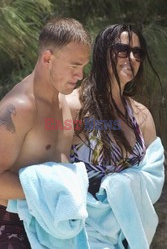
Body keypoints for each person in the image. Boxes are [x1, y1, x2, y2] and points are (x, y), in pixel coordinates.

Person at [66, 24, 164, 248]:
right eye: (122, 49)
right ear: (102, 52)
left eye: (138, 53)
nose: (132, 58)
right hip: (83, 237)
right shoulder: (73, 106)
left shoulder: (142, 116)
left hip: (130, 235)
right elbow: (54, 173)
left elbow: (152, 179)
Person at [0, 17, 91, 248]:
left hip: (55, 221)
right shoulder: (19, 108)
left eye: (83, 67)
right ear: (48, 58)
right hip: (12, 222)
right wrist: (51, 194)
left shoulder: (63, 102)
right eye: (74, 66)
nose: (80, 75)